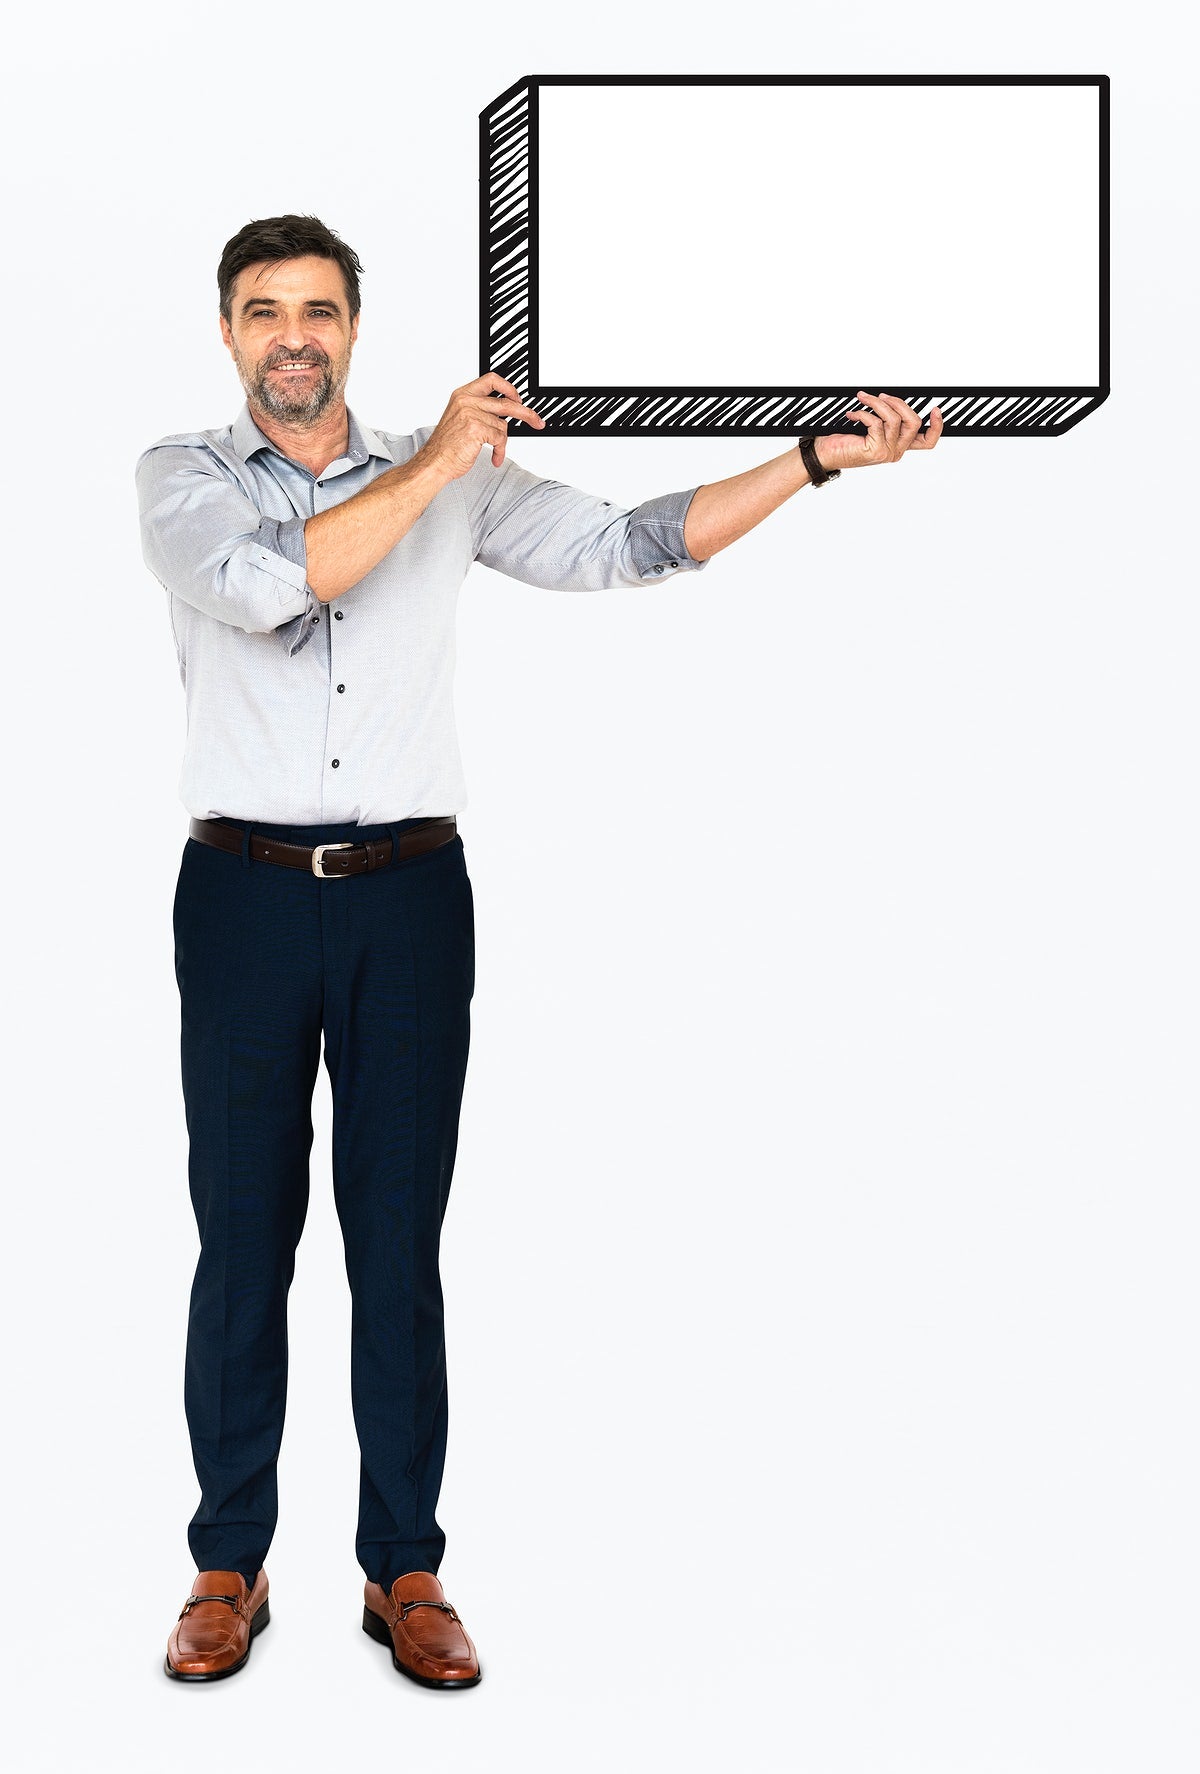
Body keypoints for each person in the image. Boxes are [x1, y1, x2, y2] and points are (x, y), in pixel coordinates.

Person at [138, 212, 941, 1690]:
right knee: (241, 1234)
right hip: (242, 895)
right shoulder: (183, 479)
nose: (294, 336)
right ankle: (226, 1558)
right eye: (266, 312)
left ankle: (405, 1565)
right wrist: (441, 462)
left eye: (319, 308)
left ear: (356, 327)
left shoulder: (451, 474)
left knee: (398, 1238)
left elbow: (631, 545)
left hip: (409, 897)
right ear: (231, 334)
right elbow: (270, 586)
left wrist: (816, 460)